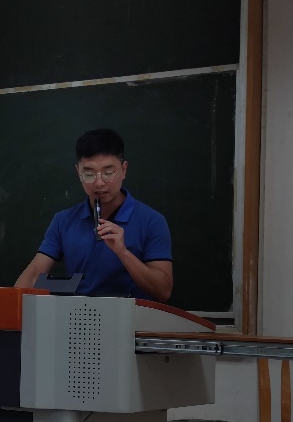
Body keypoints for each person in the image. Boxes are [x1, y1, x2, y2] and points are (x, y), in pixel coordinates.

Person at [13, 128, 173, 302]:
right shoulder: (63, 220)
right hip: (75, 315)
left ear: (124, 170)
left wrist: (123, 252)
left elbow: (163, 291)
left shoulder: (152, 221)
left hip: (131, 316)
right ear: (78, 172)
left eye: (108, 173)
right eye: (89, 174)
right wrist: (9, 306)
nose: (99, 183)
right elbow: (33, 275)